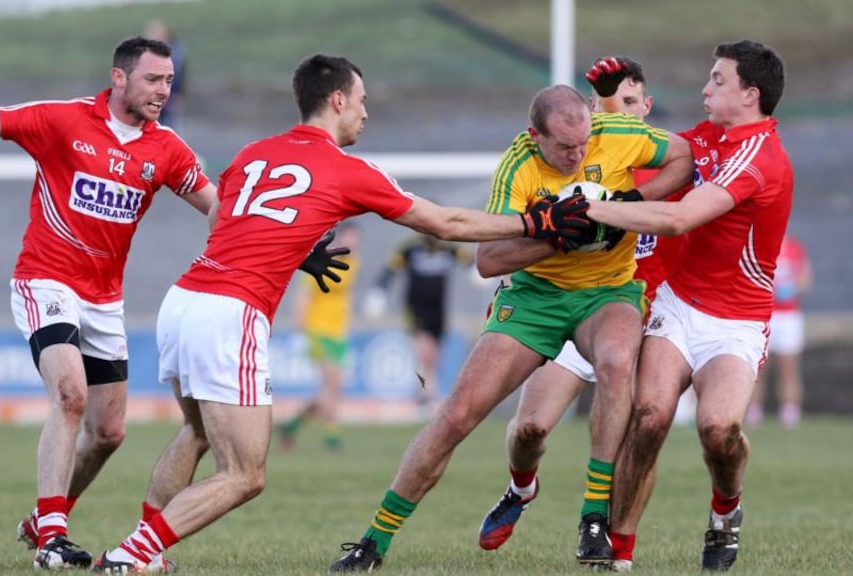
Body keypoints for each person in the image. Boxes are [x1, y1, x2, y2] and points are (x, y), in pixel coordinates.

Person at [0, 37, 341, 571]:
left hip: (103, 300)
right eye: (153, 80)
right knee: (71, 394)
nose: (163, 91)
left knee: (108, 433)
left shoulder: (166, 148)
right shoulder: (62, 120)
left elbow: (219, 208)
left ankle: (42, 518)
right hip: (45, 279)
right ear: (119, 78)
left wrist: (292, 247)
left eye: (169, 81)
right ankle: (53, 536)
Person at [89, 53, 591, 574]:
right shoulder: (348, 170)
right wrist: (538, 223)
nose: (365, 113)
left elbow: (228, 221)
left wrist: (295, 249)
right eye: (362, 100)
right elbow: (445, 222)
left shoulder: (253, 152)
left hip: (186, 298)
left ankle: (147, 552)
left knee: (195, 434)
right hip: (230, 311)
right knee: (245, 474)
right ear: (337, 100)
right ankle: (131, 554)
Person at [329, 84, 693, 572]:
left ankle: (592, 516)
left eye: (583, 142)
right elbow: (489, 260)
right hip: (533, 298)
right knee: (469, 417)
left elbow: (684, 158)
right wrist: (557, 236)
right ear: (535, 135)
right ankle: (373, 542)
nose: (577, 153)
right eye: (564, 147)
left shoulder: (616, 131)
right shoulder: (517, 166)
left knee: (616, 361)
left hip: (608, 292)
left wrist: (629, 201)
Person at [473, 54, 702, 563]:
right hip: (576, 306)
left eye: (628, 102)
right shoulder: (593, 153)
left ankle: (613, 544)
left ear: (648, 107)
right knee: (530, 427)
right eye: (608, 103)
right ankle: (520, 489)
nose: (616, 112)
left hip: (638, 317)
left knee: (643, 429)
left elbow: (695, 175)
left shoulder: (670, 173)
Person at [584, 39, 791, 571]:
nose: (705, 88)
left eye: (718, 81)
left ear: (751, 94)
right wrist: (606, 99)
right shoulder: (704, 139)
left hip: (736, 321)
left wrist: (592, 209)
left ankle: (726, 509)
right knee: (649, 416)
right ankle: (619, 554)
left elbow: (678, 219)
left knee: (718, 429)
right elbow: (630, 141)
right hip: (678, 304)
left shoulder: (758, 158)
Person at [363, 233, 475, 410]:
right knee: (424, 351)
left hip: (438, 310)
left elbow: (470, 260)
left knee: (436, 354)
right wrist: (379, 292)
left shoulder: (448, 249)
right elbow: (389, 270)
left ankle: (429, 391)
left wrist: (477, 272)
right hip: (415, 309)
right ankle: (425, 394)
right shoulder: (410, 249)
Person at [279, 222, 362, 451]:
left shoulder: (354, 264)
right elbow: (303, 296)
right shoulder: (322, 260)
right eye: (348, 237)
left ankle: (291, 425)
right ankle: (332, 435)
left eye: (355, 238)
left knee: (331, 388)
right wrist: (299, 332)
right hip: (317, 329)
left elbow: (345, 297)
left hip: (338, 332)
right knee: (333, 383)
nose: (352, 242)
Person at [748, 233, 812, 428]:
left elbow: (805, 280)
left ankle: (790, 412)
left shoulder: (795, 247)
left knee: (788, 368)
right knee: (758, 368)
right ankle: (753, 412)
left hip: (788, 316)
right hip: (763, 314)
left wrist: (789, 289)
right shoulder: (760, 245)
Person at [142, 20, 187, 130]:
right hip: (155, 97)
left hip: (168, 97)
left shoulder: (174, 53)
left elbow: (179, 74)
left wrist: (178, 93)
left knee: (168, 126)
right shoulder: (150, 52)